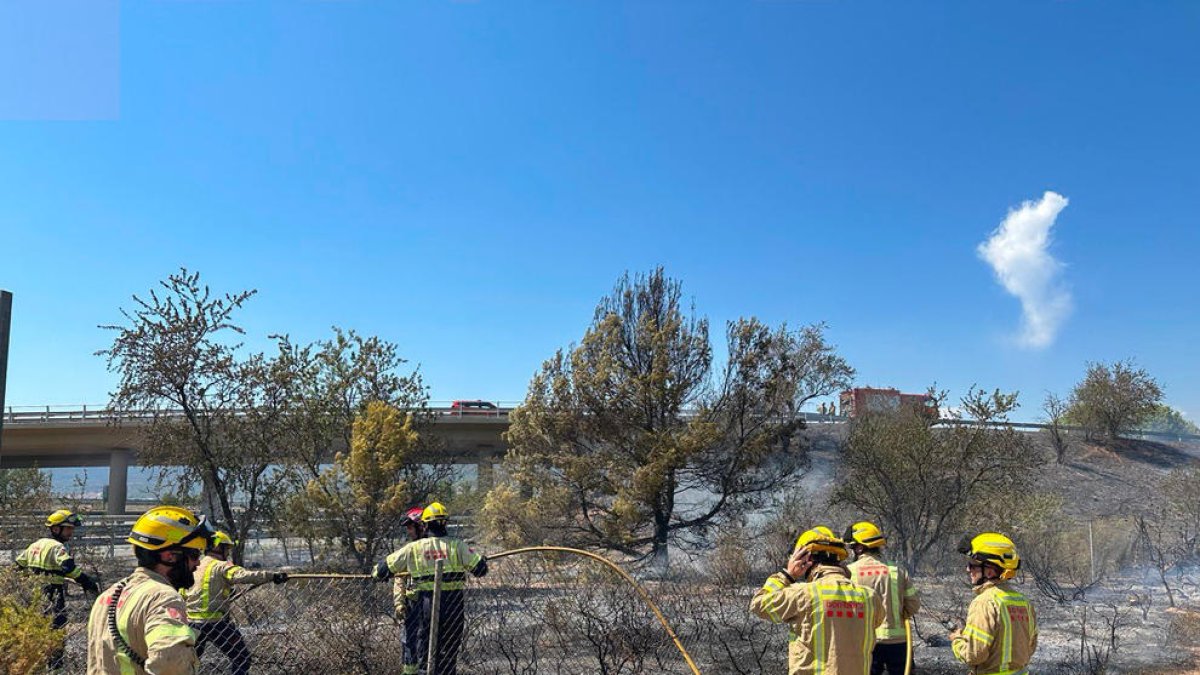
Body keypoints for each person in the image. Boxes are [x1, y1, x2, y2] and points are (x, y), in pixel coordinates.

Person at [87, 505, 212, 675]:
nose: (198, 563)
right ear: (170, 556)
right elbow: (170, 663)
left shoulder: (107, 596)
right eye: (195, 555)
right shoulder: (163, 598)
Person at [750, 525, 884, 675]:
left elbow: (759, 604)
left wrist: (787, 575)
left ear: (805, 559)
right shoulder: (870, 597)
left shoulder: (805, 594)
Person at [373, 501, 488, 675]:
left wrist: (380, 573)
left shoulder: (413, 548)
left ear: (425, 524)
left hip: (426, 603)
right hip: (454, 605)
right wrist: (481, 560)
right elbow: (481, 569)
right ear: (445, 523)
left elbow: (380, 571)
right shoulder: (457, 546)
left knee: (425, 652)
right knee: (449, 652)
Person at [183, 530, 288, 675]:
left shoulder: (194, 567)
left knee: (189, 664)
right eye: (227, 548)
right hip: (217, 624)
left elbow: (183, 593)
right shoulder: (221, 566)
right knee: (241, 658)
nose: (228, 552)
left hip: (192, 625)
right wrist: (272, 576)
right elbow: (243, 575)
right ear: (218, 547)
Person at [17, 509, 101, 668]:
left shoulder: (36, 544)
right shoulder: (58, 547)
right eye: (68, 528)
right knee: (57, 632)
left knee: (35, 631)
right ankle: (57, 669)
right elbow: (67, 565)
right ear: (56, 529)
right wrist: (86, 581)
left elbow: (19, 565)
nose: (71, 532)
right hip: (53, 595)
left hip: (33, 595)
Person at [950, 532, 1037, 675]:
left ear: (989, 572)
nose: (968, 569)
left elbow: (975, 655)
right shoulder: (1024, 602)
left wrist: (957, 641)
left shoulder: (984, 603)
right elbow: (1031, 647)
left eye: (972, 565)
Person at [844, 521, 921, 674]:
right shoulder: (897, 570)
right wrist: (897, 615)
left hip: (866, 642)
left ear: (860, 548)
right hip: (898, 643)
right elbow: (913, 605)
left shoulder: (849, 573)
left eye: (852, 547)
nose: (852, 551)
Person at [392, 506, 428, 667]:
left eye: (411, 527)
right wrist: (399, 603)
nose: (408, 531)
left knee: (426, 642)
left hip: (431, 602)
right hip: (412, 604)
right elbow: (399, 579)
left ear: (421, 526)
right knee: (409, 643)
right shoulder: (409, 550)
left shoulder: (433, 548)